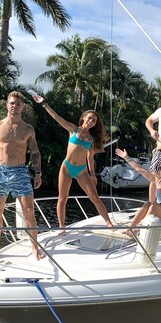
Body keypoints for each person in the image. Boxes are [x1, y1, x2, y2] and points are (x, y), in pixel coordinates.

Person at [0, 91, 43, 259]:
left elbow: (34, 152)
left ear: (23, 107)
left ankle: (35, 248)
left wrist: (38, 174)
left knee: (29, 210)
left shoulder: (28, 129)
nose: (15, 106)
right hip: (0, 172)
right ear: (7, 105)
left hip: (20, 172)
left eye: (18, 104)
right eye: (12, 103)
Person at [31, 94, 113, 229]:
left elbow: (90, 158)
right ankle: (62, 227)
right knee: (62, 199)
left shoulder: (91, 139)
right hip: (67, 168)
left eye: (94, 120)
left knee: (95, 198)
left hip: (82, 170)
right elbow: (57, 117)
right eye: (90, 118)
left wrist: (92, 174)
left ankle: (109, 223)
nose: (92, 121)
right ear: (84, 118)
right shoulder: (73, 129)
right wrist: (44, 104)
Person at [115, 148, 161, 233]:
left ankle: (141, 230)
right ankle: (130, 228)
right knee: (148, 203)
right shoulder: (158, 180)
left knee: (153, 205)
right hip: (157, 210)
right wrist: (126, 157)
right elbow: (140, 169)